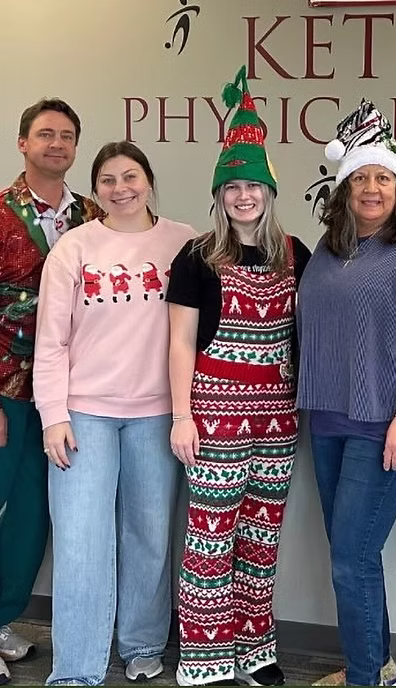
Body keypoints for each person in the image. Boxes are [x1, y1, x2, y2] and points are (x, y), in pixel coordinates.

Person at [297, 98, 396, 687]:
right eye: (360, 178)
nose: (371, 188)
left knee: (351, 557)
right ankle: (379, 670)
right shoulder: (329, 249)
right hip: (331, 418)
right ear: (342, 189)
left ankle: (364, 679)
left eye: (383, 178)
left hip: (390, 420)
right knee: (353, 554)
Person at [33, 141, 197, 686]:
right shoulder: (74, 247)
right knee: (80, 542)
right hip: (83, 414)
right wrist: (53, 415)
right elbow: (51, 341)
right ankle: (76, 668)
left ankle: (143, 644)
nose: (120, 188)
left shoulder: (186, 242)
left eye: (130, 176)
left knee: (149, 534)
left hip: (158, 414)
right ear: (95, 189)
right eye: (107, 180)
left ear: (148, 180)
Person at [168, 66, 311, 688]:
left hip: (278, 418)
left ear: (269, 192)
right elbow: (179, 342)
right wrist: (182, 417)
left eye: (254, 186)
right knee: (211, 538)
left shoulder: (296, 254)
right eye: (233, 187)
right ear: (219, 195)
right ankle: (205, 658)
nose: (244, 197)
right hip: (215, 418)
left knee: (261, 536)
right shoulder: (197, 256)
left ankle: (255, 649)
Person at [0, 99, 101, 686]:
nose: (56, 144)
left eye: (66, 135)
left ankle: (2, 618)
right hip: (7, 387)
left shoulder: (94, 213)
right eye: (45, 134)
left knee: (33, 516)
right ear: (23, 143)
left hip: (69, 393)